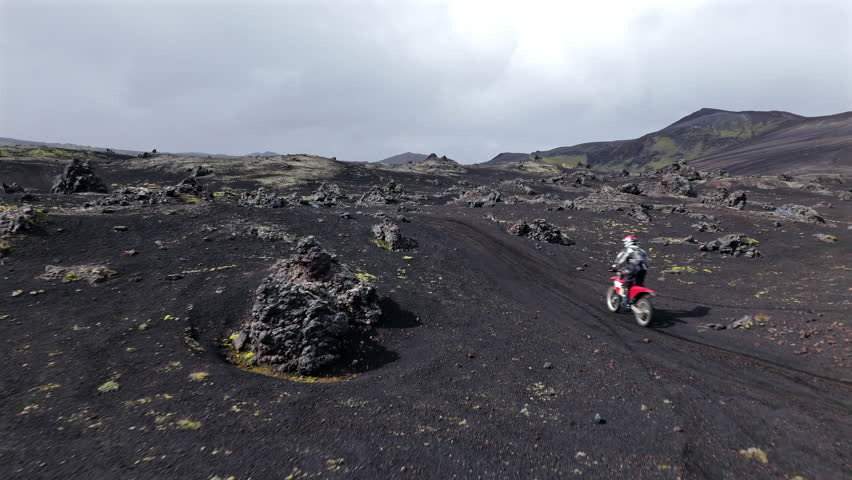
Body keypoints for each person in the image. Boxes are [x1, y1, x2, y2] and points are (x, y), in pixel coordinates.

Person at [611, 235, 649, 308]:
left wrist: (615, 265)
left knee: (626, 285)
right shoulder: (642, 250)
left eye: (625, 242)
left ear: (628, 242)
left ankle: (625, 303)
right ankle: (637, 300)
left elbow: (621, 258)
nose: (624, 243)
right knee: (638, 284)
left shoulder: (628, 249)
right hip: (643, 269)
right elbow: (647, 262)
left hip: (632, 268)